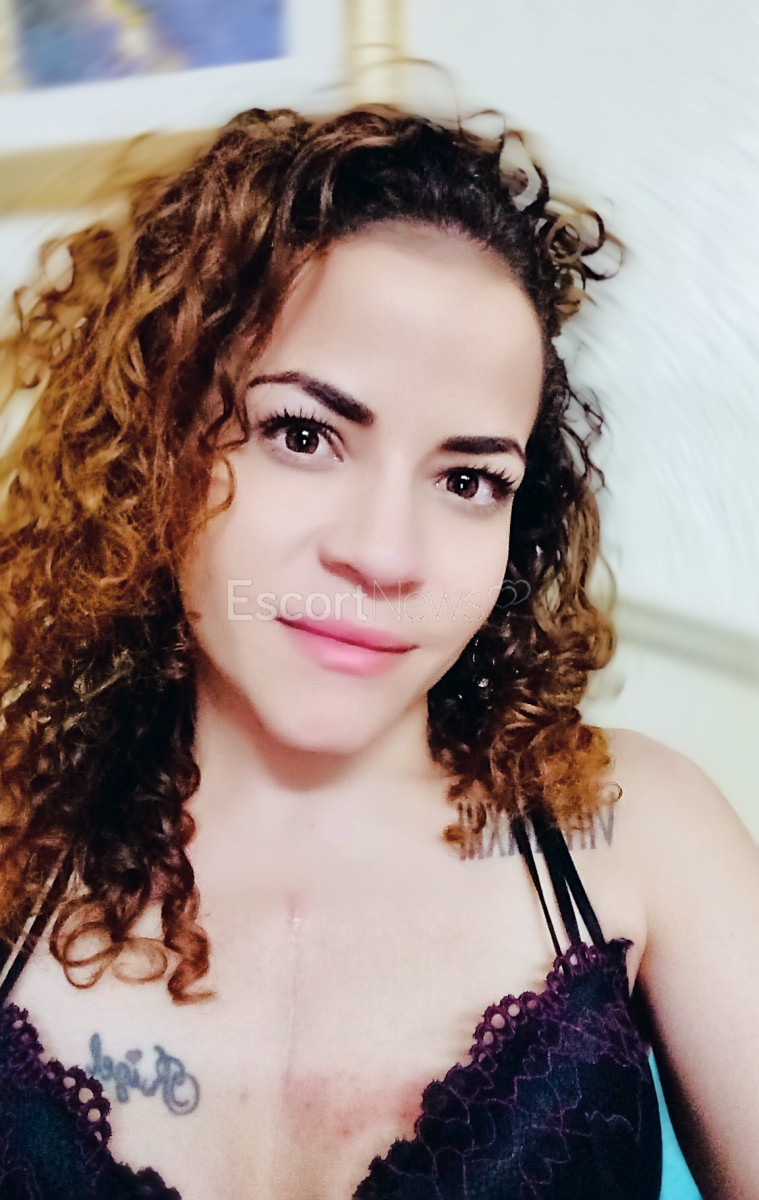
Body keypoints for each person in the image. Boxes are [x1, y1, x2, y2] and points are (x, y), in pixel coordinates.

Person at [0, 103, 756, 1200]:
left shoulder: (638, 834)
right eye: (303, 434)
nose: (385, 555)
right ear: (156, 444)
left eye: (468, 479)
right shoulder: (16, 847)